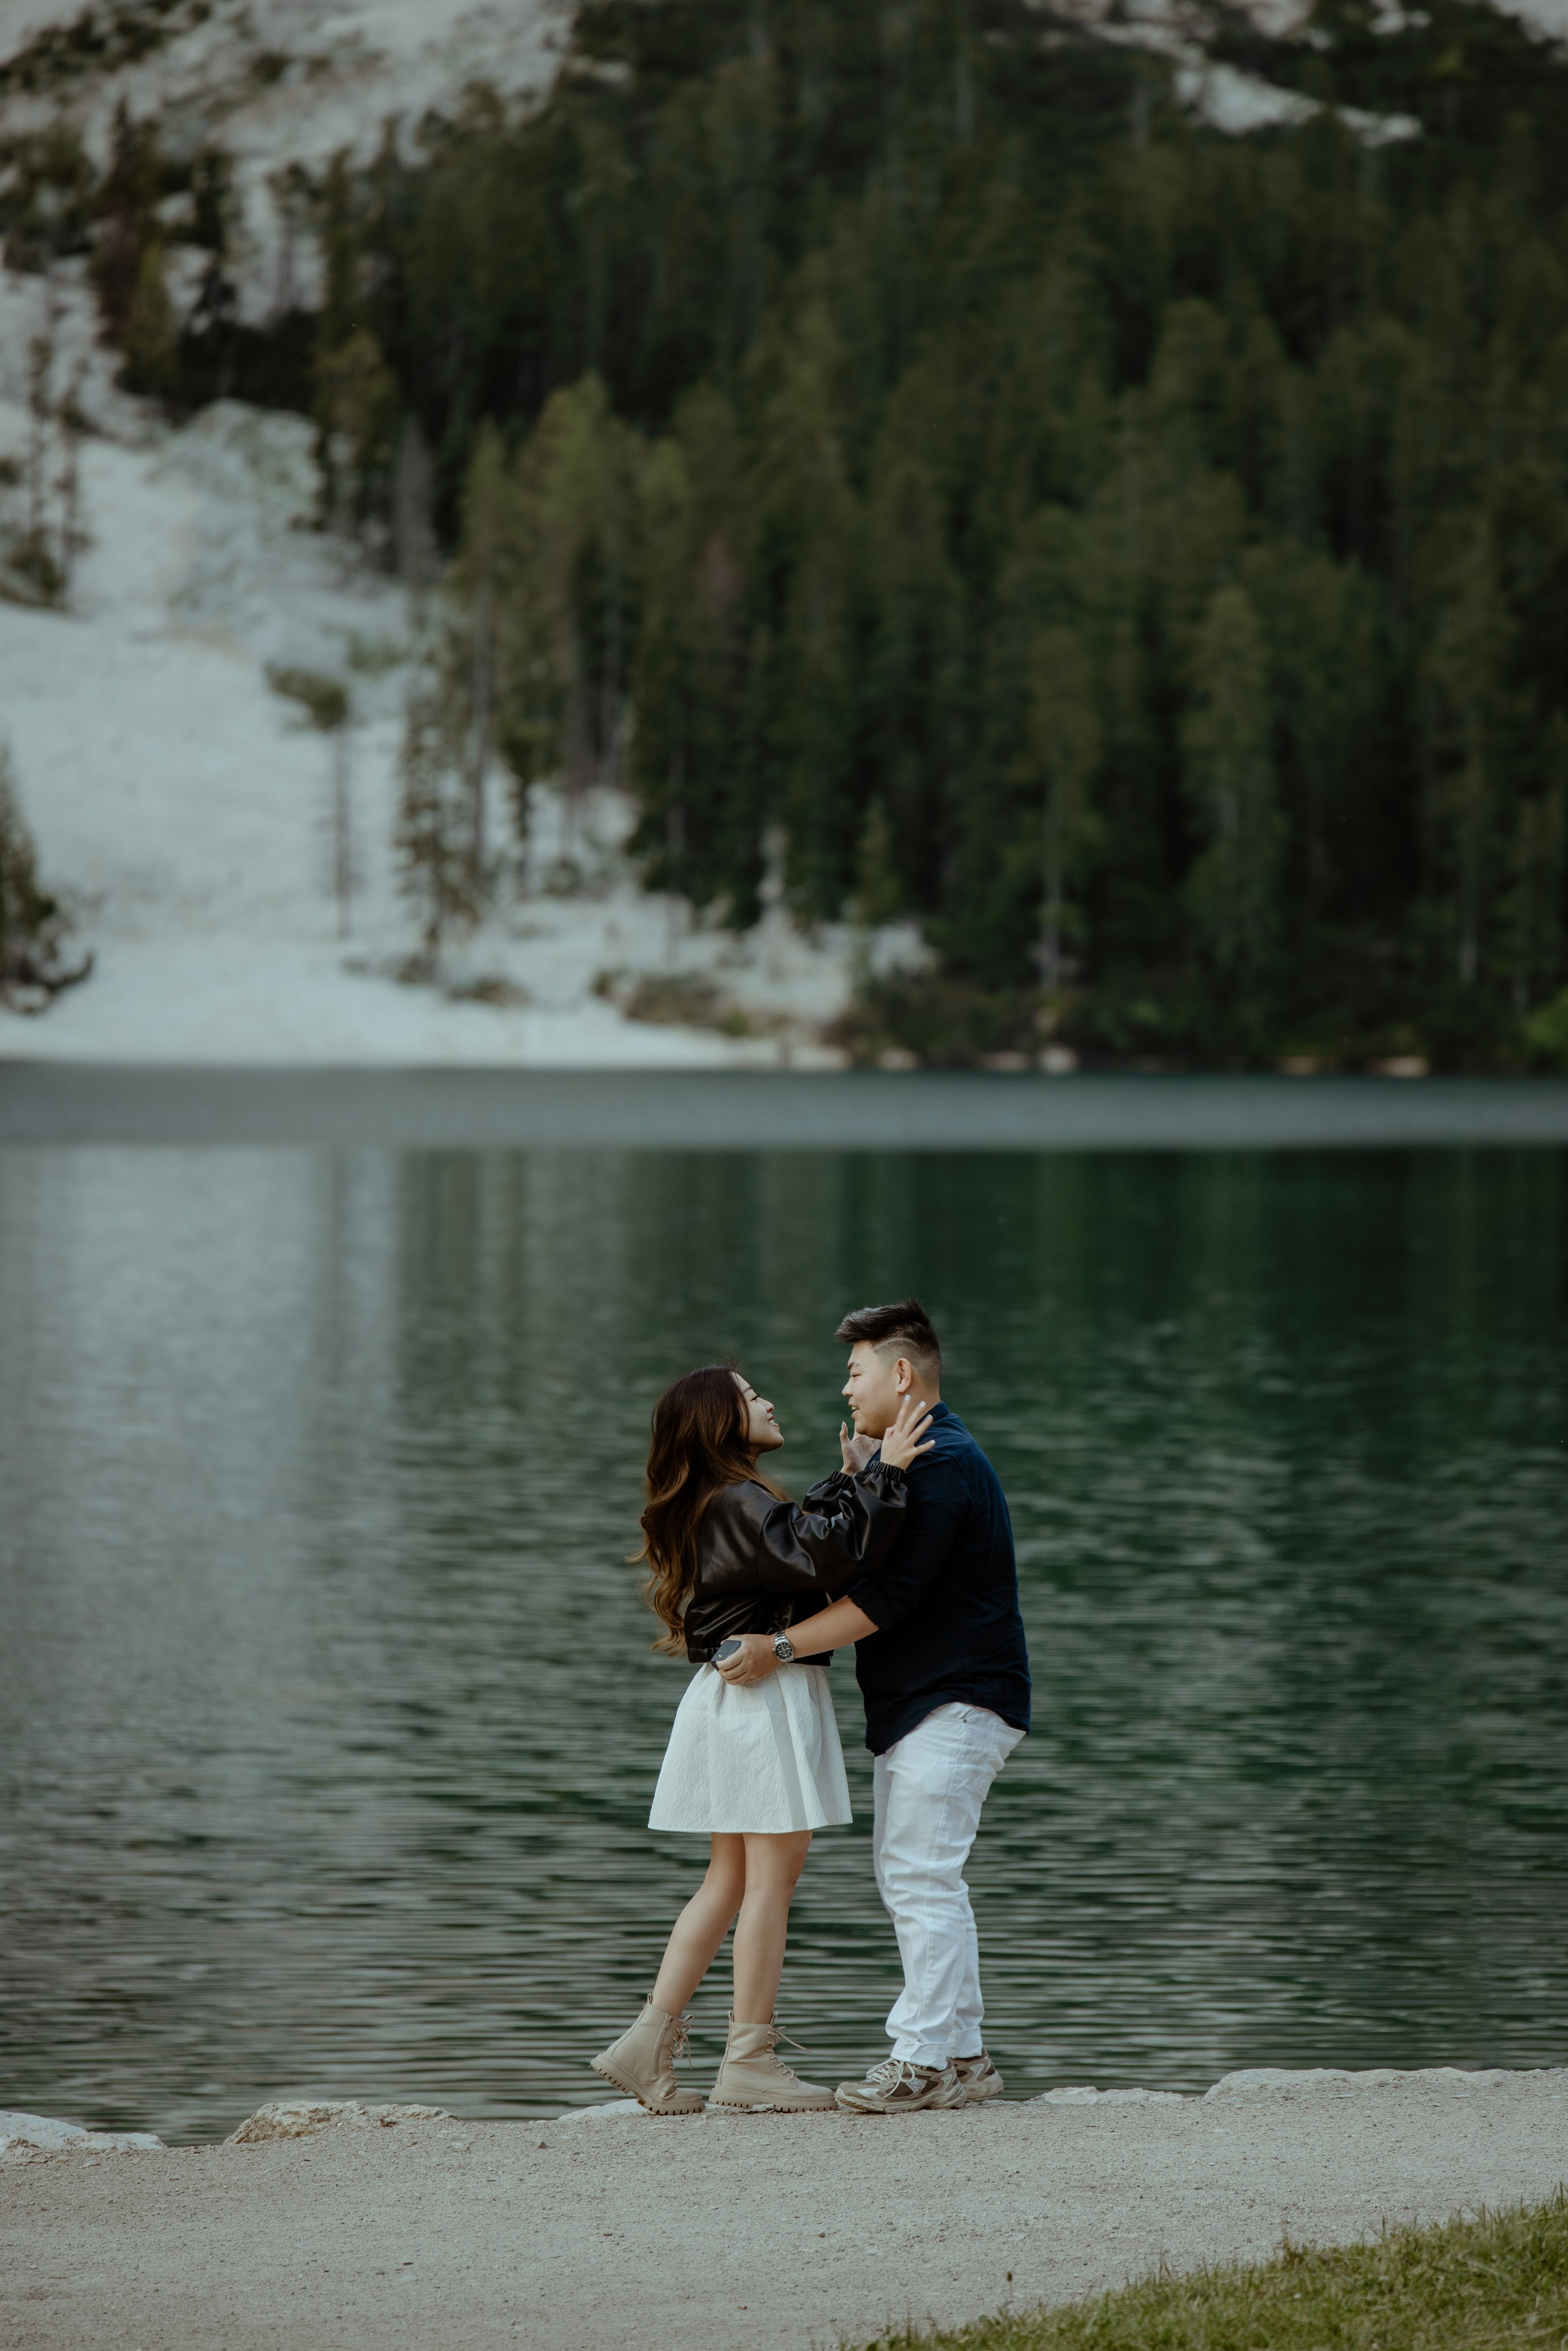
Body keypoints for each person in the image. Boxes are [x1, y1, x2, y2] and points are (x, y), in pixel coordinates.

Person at [590, 1362, 934, 2115]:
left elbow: (799, 1544)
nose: (768, 1401)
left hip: (738, 1698)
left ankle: (648, 2044)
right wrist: (887, 1475)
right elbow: (826, 1556)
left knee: (729, 1881)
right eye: (749, 1397)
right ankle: (748, 2056)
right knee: (767, 1882)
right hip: (764, 1696)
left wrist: (852, 1482)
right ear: (719, 1421)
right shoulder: (738, 1499)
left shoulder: (726, 1500)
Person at [717, 1299, 1030, 2114]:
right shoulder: (920, 1459)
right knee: (919, 1875)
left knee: (920, 1875)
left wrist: (775, 1648)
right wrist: (860, 1480)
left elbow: (886, 1597)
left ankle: (922, 2058)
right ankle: (963, 2056)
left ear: (901, 1373)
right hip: (930, 1701)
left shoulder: (942, 1462)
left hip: (955, 1697)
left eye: (855, 1372)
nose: (844, 1388)